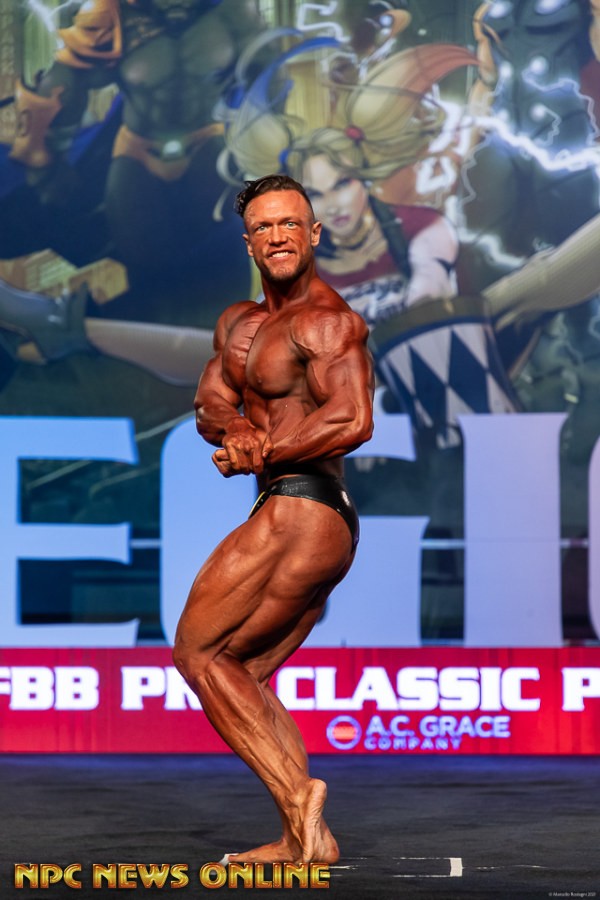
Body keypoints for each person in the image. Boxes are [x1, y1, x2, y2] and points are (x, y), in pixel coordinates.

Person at [172, 174, 374, 864]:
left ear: (313, 234)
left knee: (198, 652)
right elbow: (211, 401)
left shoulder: (326, 321)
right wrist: (235, 429)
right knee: (242, 671)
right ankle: (305, 839)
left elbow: (353, 418)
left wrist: (265, 449)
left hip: (303, 504)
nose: (278, 236)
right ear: (249, 243)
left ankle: (296, 795)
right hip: (301, 510)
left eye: (290, 223)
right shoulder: (241, 322)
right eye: (264, 226)